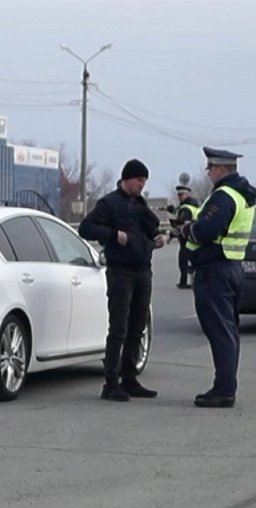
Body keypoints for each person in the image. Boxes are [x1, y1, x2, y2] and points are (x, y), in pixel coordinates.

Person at [79, 159, 167, 402]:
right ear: (127, 179)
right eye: (139, 180)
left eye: (144, 181)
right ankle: (111, 382)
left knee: (137, 327)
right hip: (121, 272)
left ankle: (130, 378)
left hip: (143, 270)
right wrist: (113, 235)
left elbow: (145, 233)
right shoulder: (110, 203)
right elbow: (86, 228)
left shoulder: (140, 204)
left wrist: (157, 240)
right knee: (119, 327)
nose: (142, 185)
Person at [179, 147, 256, 408]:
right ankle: (226, 385)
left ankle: (224, 389)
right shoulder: (242, 195)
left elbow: (207, 230)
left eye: (210, 168)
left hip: (215, 270)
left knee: (220, 332)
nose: (208, 173)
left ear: (221, 168)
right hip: (232, 267)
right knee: (229, 331)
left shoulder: (224, 195)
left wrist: (189, 229)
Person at [173, 173, 200, 289]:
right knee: (192, 261)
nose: (179, 197)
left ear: (187, 194)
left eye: (181, 195)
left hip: (187, 238)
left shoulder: (186, 208)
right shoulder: (189, 205)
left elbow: (183, 223)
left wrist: (171, 234)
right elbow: (175, 209)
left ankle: (184, 282)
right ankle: (192, 281)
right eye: (179, 195)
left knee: (184, 261)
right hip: (193, 237)